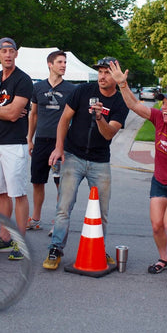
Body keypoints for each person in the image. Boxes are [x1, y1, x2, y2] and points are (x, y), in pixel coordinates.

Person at [109, 63, 167, 289]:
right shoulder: (158, 119)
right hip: (160, 180)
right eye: (163, 103)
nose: (164, 107)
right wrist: (122, 83)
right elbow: (133, 104)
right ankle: (164, 259)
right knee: (156, 225)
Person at [43, 57, 129, 270]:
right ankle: (56, 249)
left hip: (100, 162)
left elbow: (109, 134)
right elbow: (64, 119)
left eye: (107, 72)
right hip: (73, 156)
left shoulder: (120, 103)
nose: (102, 76)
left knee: (101, 211)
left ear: (116, 76)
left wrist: (100, 118)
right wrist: (59, 147)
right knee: (64, 206)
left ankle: (98, 247)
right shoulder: (83, 91)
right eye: (100, 72)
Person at [0, 37, 33, 260]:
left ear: (16, 54)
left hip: (15, 145)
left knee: (18, 193)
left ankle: (20, 243)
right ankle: (4, 238)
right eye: (4, 51)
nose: (8, 54)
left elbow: (13, 114)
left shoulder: (23, 80)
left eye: (12, 50)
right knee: (2, 194)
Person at [26, 50, 76, 231]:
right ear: (50, 64)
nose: (63, 65)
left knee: (60, 184)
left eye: (65, 62)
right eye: (60, 62)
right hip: (41, 141)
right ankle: (35, 219)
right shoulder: (38, 87)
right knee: (37, 181)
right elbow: (33, 114)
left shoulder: (71, 89)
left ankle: (59, 222)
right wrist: (29, 139)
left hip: (61, 143)